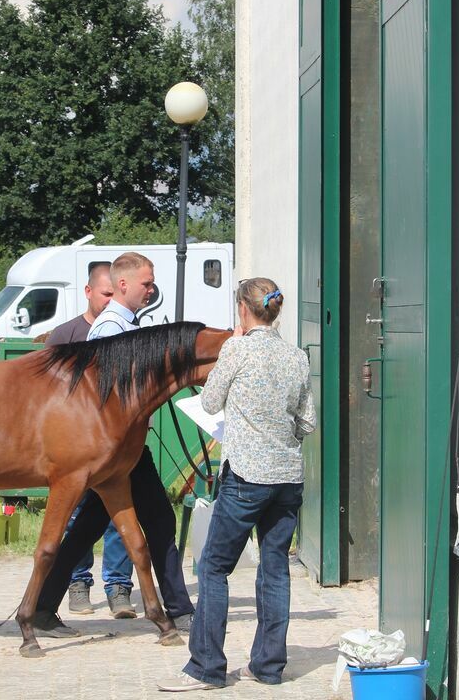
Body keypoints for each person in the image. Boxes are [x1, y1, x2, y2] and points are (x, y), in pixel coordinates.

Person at [157, 278, 314, 692]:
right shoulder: (296, 357)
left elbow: (209, 403)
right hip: (287, 479)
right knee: (275, 567)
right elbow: (307, 422)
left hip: (246, 476)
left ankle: (206, 667)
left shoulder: (237, 348)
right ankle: (267, 666)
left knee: (214, 566)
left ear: (244, 310)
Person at [33, 252, 196, 636]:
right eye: (146, 282)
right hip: (117, 448)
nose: (151, 288)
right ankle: (178, 608)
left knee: (90, 526)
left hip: (121, 447)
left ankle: (42, 605)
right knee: (158, 519)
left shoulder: (127, 324)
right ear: (123, 284)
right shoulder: (110, 329)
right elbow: (112, 396)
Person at [42, 263, 115, 616]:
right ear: (89, 292)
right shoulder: (65, 335)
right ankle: (78, 583)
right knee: (72, 515)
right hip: (71, 447)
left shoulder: (124, 331)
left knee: (117, 517)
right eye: (106, 294)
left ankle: (118, 586)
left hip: (108, 448)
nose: (111, 300)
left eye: (116, 293)